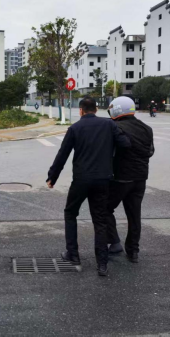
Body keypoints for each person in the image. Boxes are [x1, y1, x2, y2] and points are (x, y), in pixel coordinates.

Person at [46, 96, 131, 276]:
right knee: (99, 220)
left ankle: (73, 254)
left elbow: (62, 154)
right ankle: (102, 264)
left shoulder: (75, 128)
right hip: (103, 179)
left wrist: (52, 177)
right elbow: (125, 144)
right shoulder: (109, 125)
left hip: (81, 179)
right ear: (96, 109)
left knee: (71, 213)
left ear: (81, 110)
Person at [106, 97, 154, 264]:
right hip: (140, 178)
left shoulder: (115, 127)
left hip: (120, 177)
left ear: (117, 109)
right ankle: (133, 251)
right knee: (134, 214)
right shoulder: (147, 128)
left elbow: (109, 152)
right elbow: (150, 152)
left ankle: (114, 242)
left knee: (104, 208)